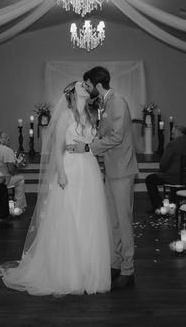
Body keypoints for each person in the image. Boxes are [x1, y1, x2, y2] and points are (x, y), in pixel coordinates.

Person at [0, 81, 112, 295]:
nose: (86, 86)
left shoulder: (93, 115)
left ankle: (88, 271)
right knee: (69, 216)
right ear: (73, 93)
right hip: (70, 167)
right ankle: (67, 273)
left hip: (90, 168)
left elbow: (95, 142)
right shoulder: (65, 116)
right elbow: (57, 149)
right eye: (81, 85)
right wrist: (62, 174)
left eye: (86, 84)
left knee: (89, 218)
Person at [69, 66, 139, 289]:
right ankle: (117, 264)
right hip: (111, 170)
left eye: (88, 85)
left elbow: (117, 137)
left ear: (97, 84)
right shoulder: (104, 103)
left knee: (124, 222)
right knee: (114, 221)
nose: (87, 89)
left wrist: (89, 147)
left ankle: (129, 270)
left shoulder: (117, 102)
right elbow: (105, 133)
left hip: (122, 170)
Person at [144, 125, 186, 213]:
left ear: (178, 132)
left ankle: (158, 206)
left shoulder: (173, 144)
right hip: (185, 178)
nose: (172, 136)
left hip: (173, 177)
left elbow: (163, 164)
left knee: (150, 179)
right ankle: (174, 204)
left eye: (173, 133)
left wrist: (162, 171)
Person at [0, 132, 27, 209]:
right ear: (1, 139)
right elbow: (11, 170)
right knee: (21, 179)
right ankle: (18, 207)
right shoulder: (7, 150)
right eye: (7, 139)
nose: (8, 141)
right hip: (3, 180)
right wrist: (16, 168)